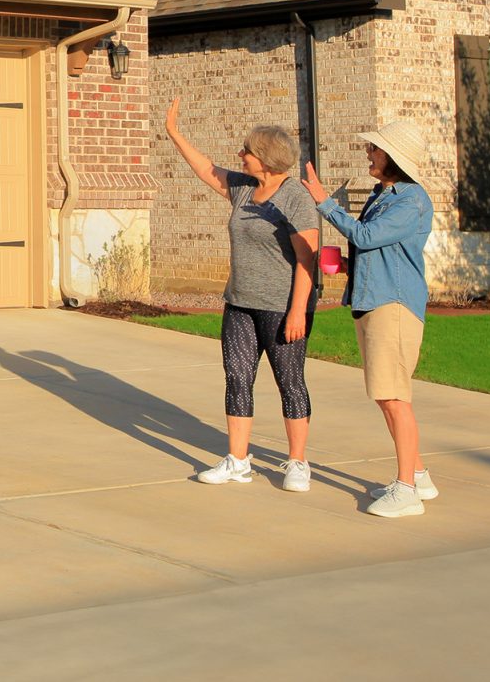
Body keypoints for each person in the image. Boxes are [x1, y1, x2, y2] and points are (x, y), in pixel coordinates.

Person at [165, 98, 320, 492]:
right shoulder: (244, 189)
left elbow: (308, 260)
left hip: (282, 307)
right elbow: (206, 169)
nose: (240, 156)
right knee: (237, 377)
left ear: (265, 159)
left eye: (246, 151)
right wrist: (174, 133)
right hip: (240, 303)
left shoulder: (296, 199)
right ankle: (237, 461)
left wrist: (298, 311)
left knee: (290, 381)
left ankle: (298, 463)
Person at [301, 122, 435, 518]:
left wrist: (325, 202)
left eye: (375, 150)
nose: (369, 156)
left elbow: (366, 236)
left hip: (392, 307)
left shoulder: (410, 201)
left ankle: (407, 490)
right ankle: (419, 475)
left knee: (395, 397)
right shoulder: (385, 195)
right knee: (387, 394)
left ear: (392, 158)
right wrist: (346, 264)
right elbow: (375, 247)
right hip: (373, 300)